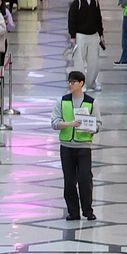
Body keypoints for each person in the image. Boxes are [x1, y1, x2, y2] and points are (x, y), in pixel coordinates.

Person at [54, 69, 98, 222]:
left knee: (85, 179)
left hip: (84, 146)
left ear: (81, 83)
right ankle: (73, 211)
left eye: (73, 82)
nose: (70, 84)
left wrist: (92, 127)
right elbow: (54, 122)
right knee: (69, 180)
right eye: (69, 81)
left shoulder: (91, 102)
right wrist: (69, 124)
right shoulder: (62, 101)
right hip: (67, 146)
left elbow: (98, 123)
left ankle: (88, 210)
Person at [67, 0, 104, 85]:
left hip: (93, 35)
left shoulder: (95, 3)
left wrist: (101, 34)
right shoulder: (77, 3)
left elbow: (98, 19)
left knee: (94, 62)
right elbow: (72, 20)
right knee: (79, 62)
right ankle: (80, 83)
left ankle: (91, 81)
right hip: (80, 36)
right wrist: (72, 36)